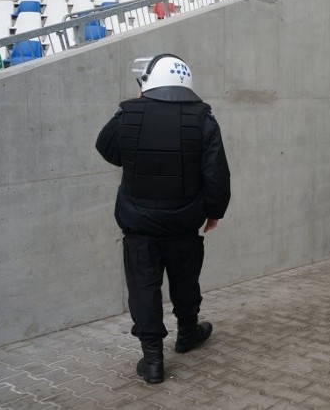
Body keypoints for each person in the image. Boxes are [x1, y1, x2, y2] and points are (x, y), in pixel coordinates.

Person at [95, 54, 231, 384]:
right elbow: (215, 173)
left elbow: (107, 148)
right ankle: (187, 333)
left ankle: (153, 360)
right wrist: (215, 211)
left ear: (148, 80)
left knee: (143, 286)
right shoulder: (203, 117)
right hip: (184, 221)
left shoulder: (128, 112)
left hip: (138, 222)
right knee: (185, 278)